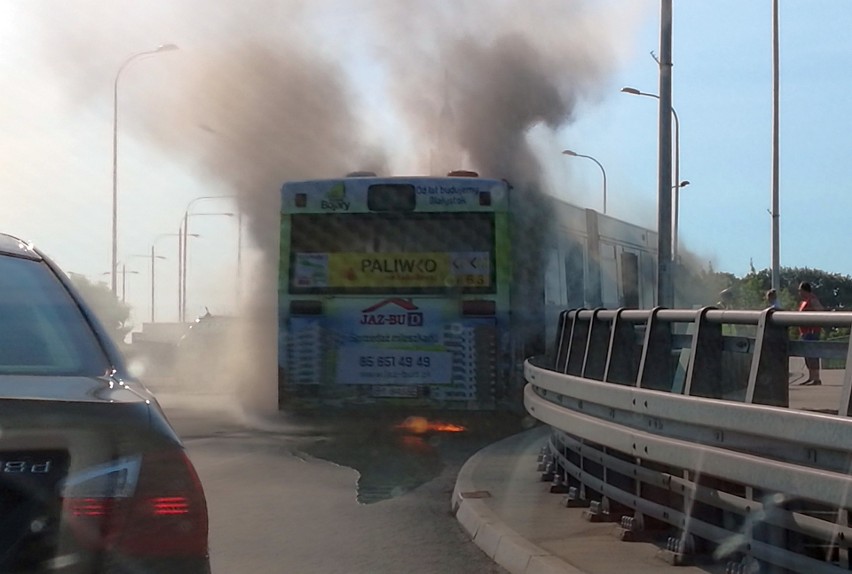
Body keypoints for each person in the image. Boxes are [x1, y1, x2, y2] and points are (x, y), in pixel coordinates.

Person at [797, 281, 823, 385]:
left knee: (813, 354)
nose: (799, 293)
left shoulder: (812, 299)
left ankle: (816, 378)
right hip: (805, 332)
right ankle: (811, 376)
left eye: (800, 290)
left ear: (804, 290)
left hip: (812, 332)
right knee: (807, 355)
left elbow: (821, 311)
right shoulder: (804, 301)